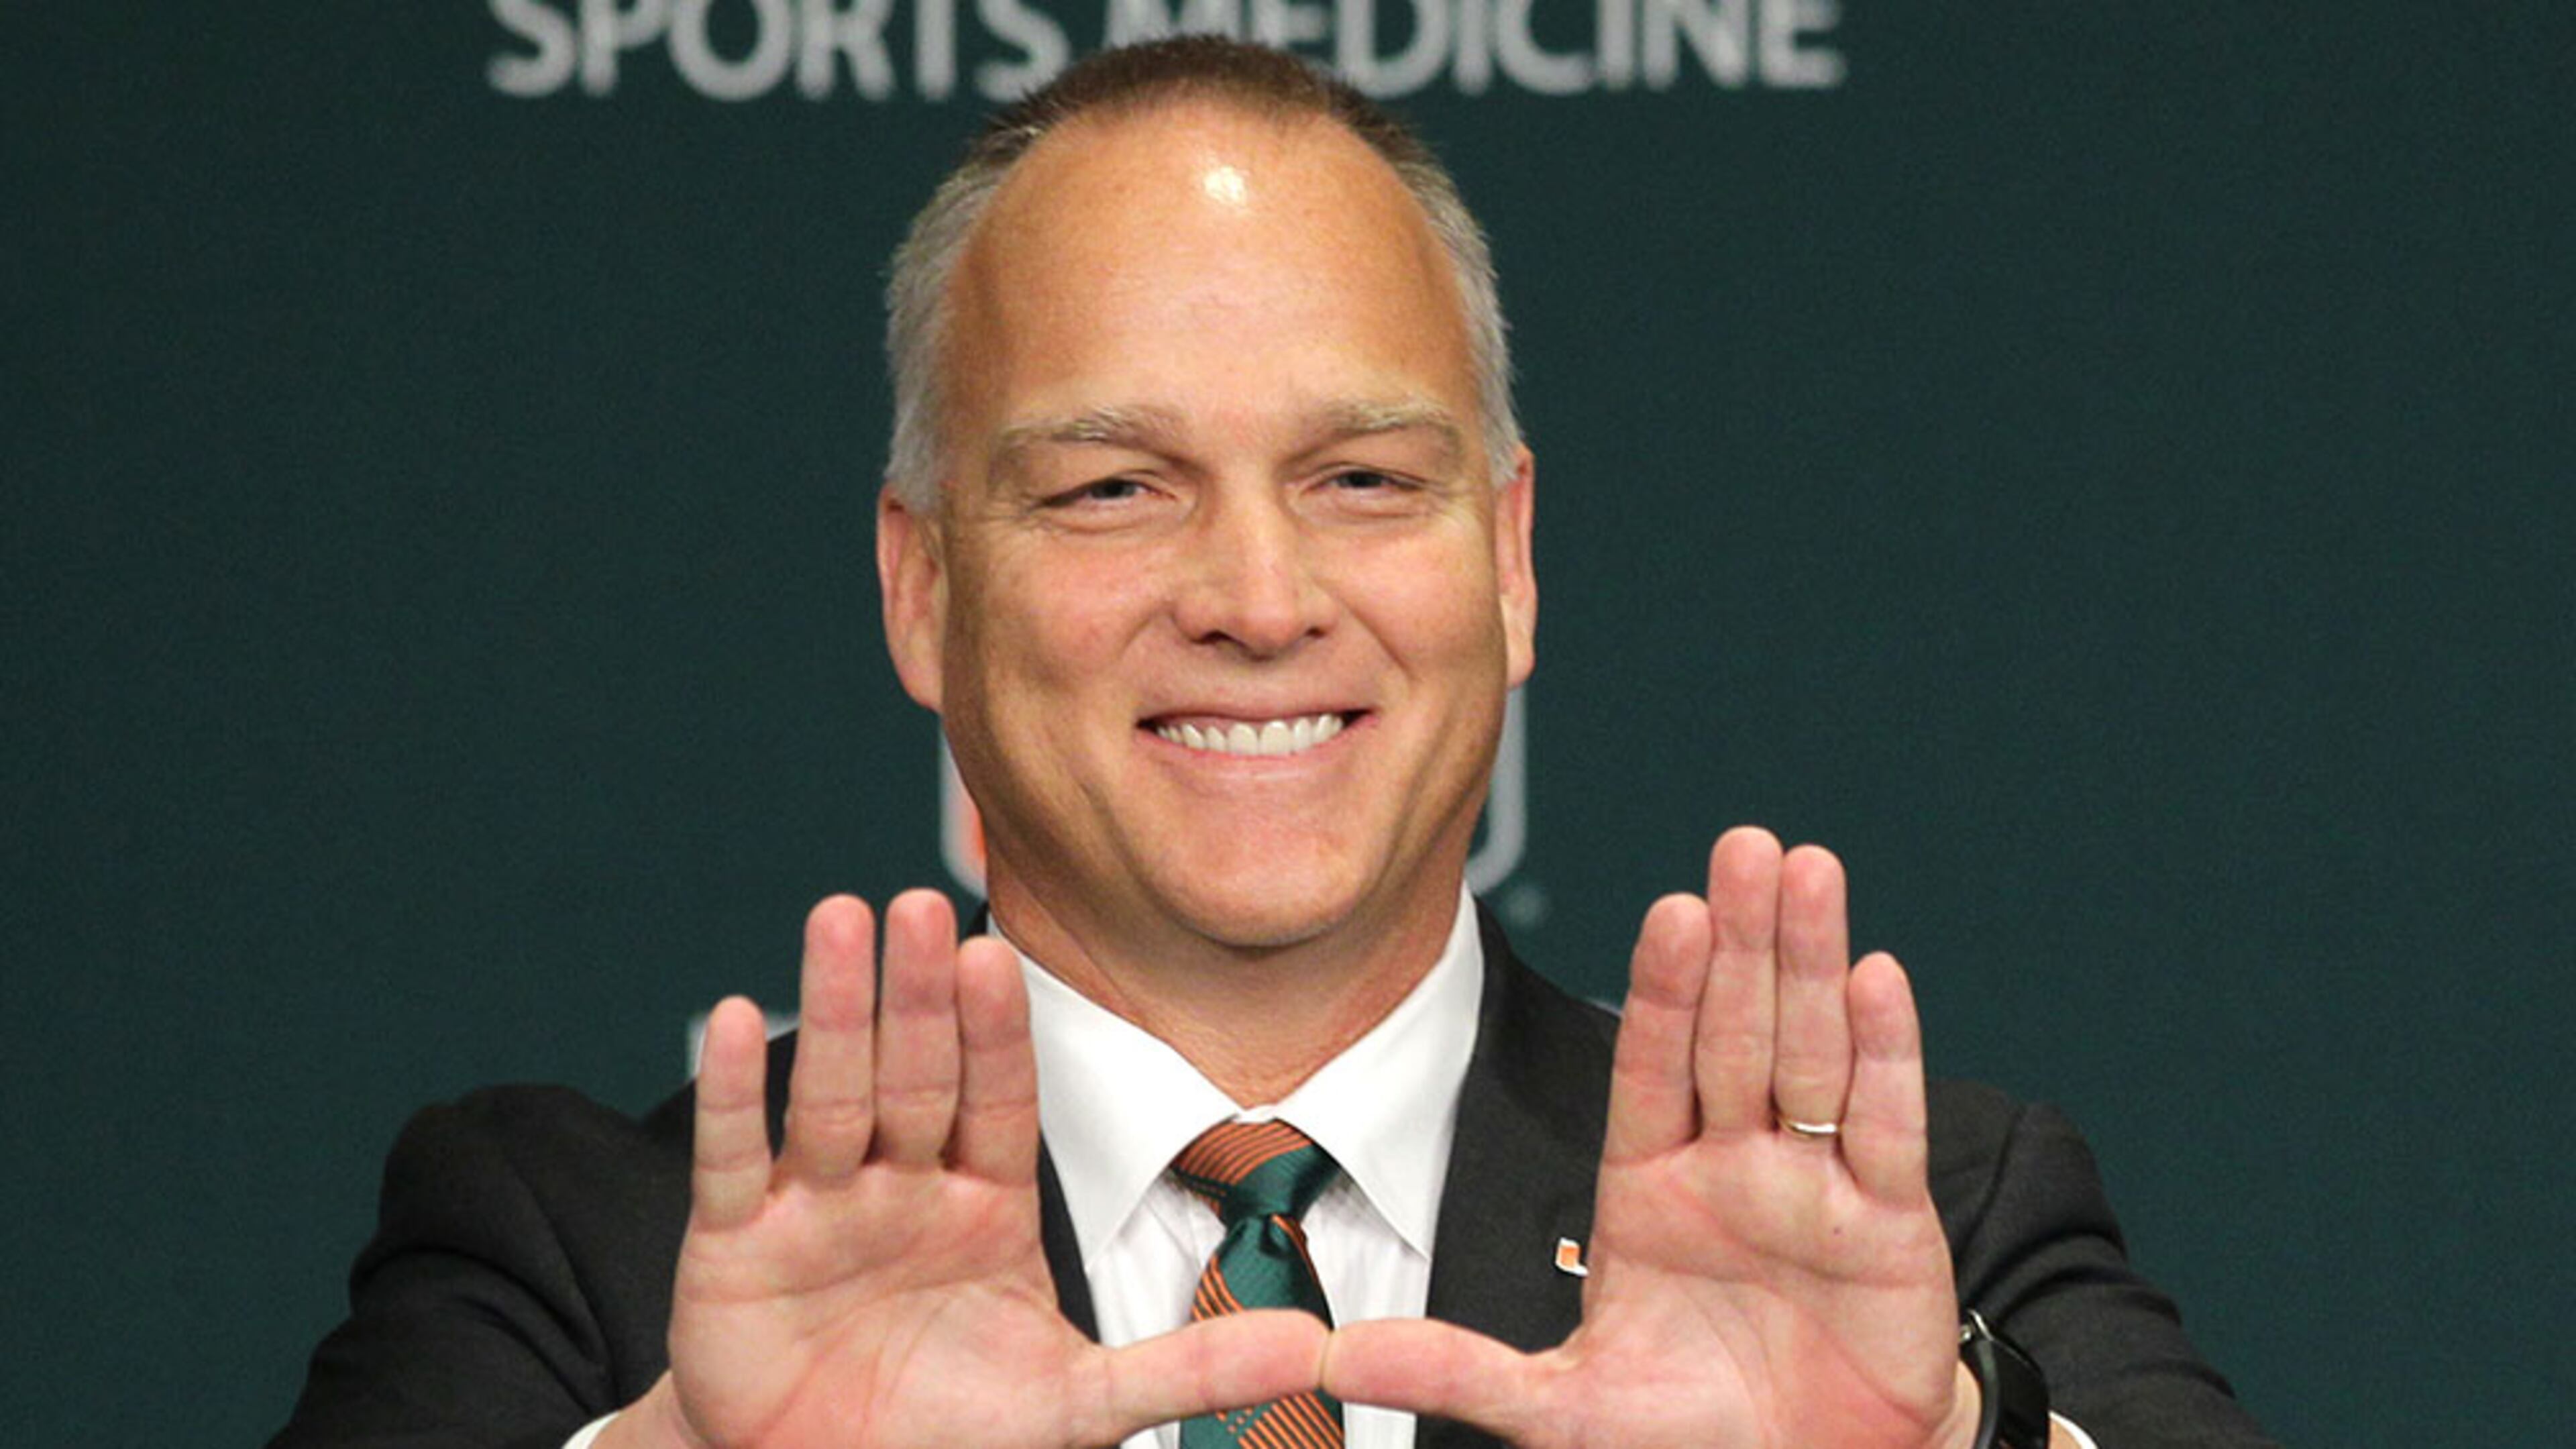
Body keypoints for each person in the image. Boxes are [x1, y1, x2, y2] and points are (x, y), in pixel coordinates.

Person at [271, 36, 2276, 1449]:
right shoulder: (594, 1258)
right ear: (921, 587)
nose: (1255, 593)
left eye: (1362, 480)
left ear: (1510, 560)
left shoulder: (1918, 1230)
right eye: (1112, 489)